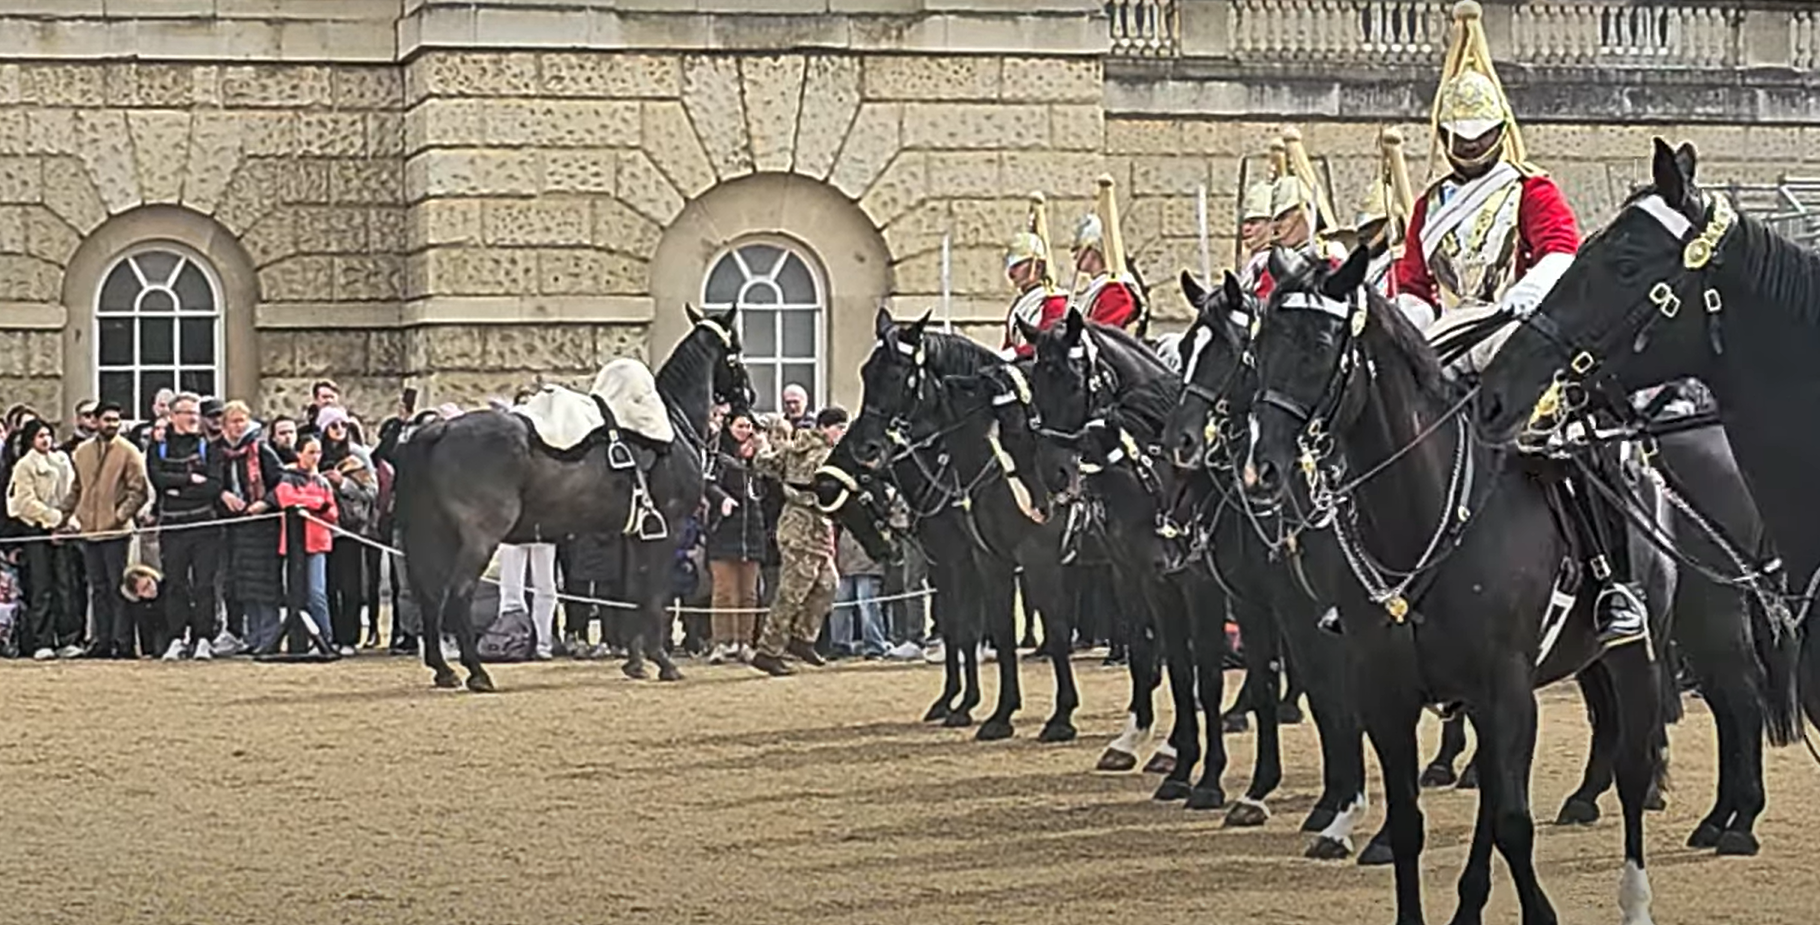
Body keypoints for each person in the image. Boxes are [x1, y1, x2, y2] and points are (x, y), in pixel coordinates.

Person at [749, 406, 847, 676]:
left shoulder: (801, 450)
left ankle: (802, 638)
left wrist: (763, 448)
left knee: (828, 584)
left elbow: (764, 462)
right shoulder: (815, 454)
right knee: (791, 593)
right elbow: (764, 465)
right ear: (825, 427)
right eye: (839, 428)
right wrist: (762, 447)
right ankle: (768, 651)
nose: (841, 434)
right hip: (799, 527)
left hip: (819, 528)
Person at [146, 392, 225, 660]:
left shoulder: (209, 447)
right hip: (173, 526)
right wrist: (191, 479)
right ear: (173, 416)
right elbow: (158, 478)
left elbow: (214, 486)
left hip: (205, 526)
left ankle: (204, 638)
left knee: (205, 584)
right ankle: (176, 638)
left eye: (195, 413)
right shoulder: (158, 447)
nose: (193, 418)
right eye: (187, 413)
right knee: (175, 584)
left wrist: (179, 488)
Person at [67, 402, 148, 658]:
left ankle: (123, 642)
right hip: (89, 531)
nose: (112, 424)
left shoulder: (129, 452)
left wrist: (119, 516)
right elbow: (77, 489)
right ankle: (102, 640)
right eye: (107, 419)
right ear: (96, 421)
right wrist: (65, 516)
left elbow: (139, 491)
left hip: (116, 532)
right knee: (98, 588)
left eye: (116, 420)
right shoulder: (81, 452)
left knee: (119, 588)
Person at [5, 418, 83, 659]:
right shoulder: (24, 466)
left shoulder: (62, 461)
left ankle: (68, 638)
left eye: (48, 435)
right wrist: (51, 518)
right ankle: (43, 641)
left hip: (61, 528)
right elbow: (23, 502)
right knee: (42, 587)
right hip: (36, 530)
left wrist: (65, 522)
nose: (46, 440)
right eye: (40, 436)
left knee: (65, 585)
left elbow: (72, 492)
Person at [212, 401, 283, 655]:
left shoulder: (261, 450)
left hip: (261, 526)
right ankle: (251, 637)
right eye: (234, 421)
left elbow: (280, 483)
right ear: (224, 425)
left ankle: (269, 636)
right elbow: (211, 482)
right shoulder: (217, 451)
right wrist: (222, 495)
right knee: (241, 584)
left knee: (264, 584)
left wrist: (264, 503)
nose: (239, 426)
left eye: (243, 420)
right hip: (232, 525)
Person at [705, 410, 768, 664]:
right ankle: (722, 642)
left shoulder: (759, 459)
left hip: (751, 531)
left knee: (749, 593)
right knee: (724, 592)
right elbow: (707, 483)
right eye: (741, 425)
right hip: (724, 530)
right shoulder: (719, 456)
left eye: (749, 426)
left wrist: (761, 457)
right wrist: (722, 500)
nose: (745, 430)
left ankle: (744, 642)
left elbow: (768, 490)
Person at [270, 434, 338, 654]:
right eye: (310, 452)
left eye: (318, 452)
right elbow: (286, 499)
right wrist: (315, 503)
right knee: (293, 592)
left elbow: (332, 512)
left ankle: (324, 638)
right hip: (293, 543)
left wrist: (311, 504)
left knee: (316, 593)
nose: (315, 457)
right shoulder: (287, 477)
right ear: (299, 453)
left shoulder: (322, 482)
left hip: (317, 542)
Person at [325, 453, 375, 655]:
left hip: (351, 534)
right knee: (330, 588)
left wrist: (344, 483)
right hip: (325, 534)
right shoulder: (317, 455)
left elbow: (371, 492)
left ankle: (349, 638)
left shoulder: (357, 458)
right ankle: (334, 635)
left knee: (350, 588)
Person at [1000, 231, 1068, 358]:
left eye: (1018, 265)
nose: (1011, 272)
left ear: (1037, 266)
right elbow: (1010, 343)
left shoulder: (1054, 302)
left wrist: (1015, 353)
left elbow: (1047, 342)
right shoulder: (1019, 304)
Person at [831, 525, 889, 659]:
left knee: (868, 604)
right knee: (840, 604)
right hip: (844, 562)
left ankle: (874, 645)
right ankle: (840, 644)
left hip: (869, 564)